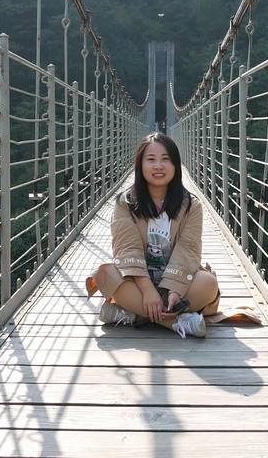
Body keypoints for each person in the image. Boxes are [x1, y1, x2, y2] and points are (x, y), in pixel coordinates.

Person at [87, 132, 220, 338]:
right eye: (151, 159)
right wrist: (148, 291)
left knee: (209, 284)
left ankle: (132, 314)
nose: (158, 166)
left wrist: (175, 290)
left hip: (177, 279)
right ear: (140, 165)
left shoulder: (191, 206)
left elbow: (188, 249)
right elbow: (127, 249)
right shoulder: (125, 203)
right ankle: (176, 322)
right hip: (138, 281)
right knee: (106, 275)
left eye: (165, 159)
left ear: (175, 165)